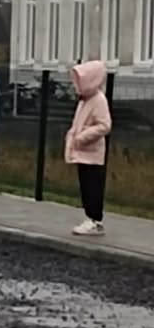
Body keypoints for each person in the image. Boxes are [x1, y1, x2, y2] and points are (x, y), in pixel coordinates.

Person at [66, 59, 112, 237]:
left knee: (93, 186)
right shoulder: (85, 100)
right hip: (83, 151)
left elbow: (104, 125)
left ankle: (95, 220)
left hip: (92, 152)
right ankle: (90, 217)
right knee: (86, 185)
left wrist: (82, 136)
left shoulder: (98, 100)